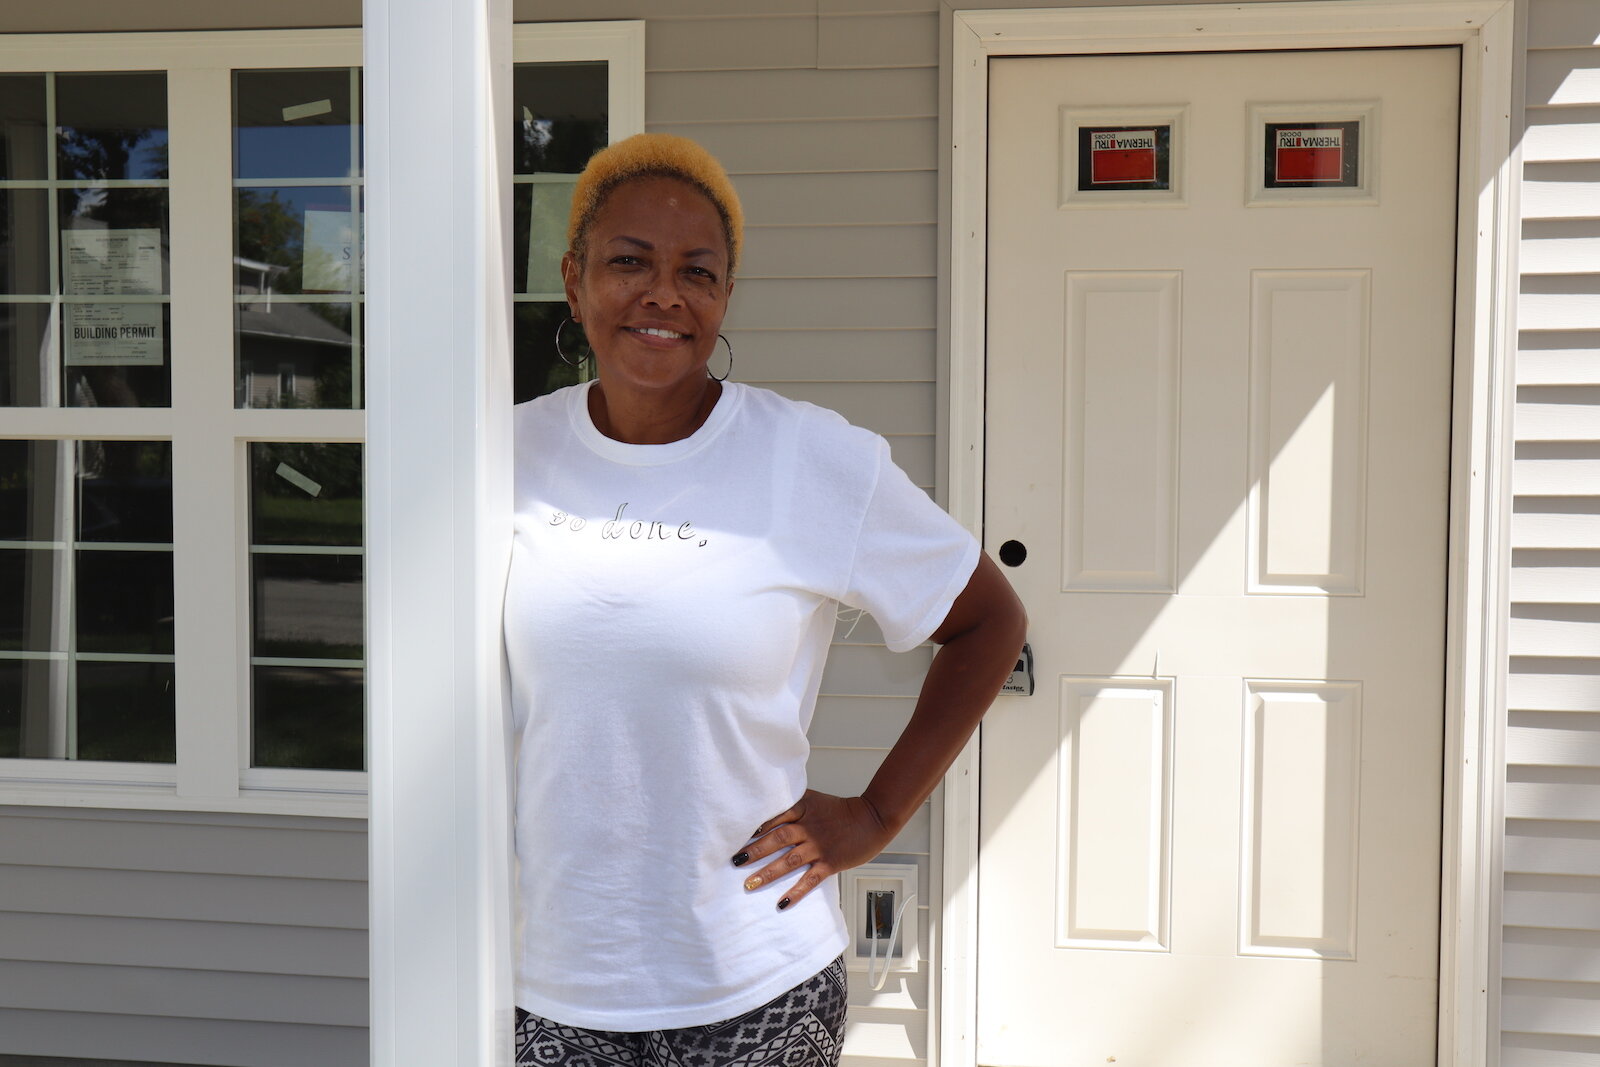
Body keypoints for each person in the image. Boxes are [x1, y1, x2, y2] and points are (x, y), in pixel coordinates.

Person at [503, 133, 1027, 1067]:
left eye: (695, 272)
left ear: (724, 298)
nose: (663, 293)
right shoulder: (505, 456)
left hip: (759, 981)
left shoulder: (811, 458)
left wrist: (873, 817)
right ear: (574, 280)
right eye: (629, 262)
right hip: (557, 982)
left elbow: (989, 619)